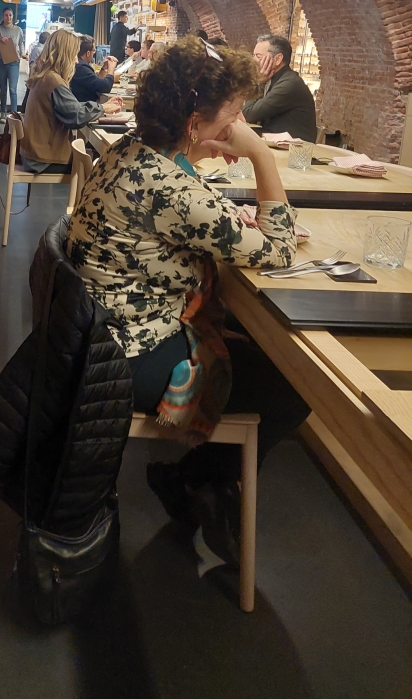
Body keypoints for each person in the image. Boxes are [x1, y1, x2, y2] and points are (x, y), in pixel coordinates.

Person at [65, 36, 309, 563]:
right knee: (293, 383)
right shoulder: (171, 189)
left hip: (97, 332)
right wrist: (261, 154)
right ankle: (201, 481)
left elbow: (185, 202)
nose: (239, 124)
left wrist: (217, 198)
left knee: (264, 363)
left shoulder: (133, 152)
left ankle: (198, 482)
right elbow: (279, 249)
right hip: (127, 354)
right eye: (235, 114)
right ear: (195, 122)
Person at [21, 29, 122, 173]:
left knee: (96, 156)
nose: (76, 61)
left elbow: (72, 108)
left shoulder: (44, 75)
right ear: (65, 55)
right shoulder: (53, 81)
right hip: (44, 158)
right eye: (74, 55)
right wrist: (103, 108)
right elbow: (76, 116)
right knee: (108, 164)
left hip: (34, 153)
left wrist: (102, 106)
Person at [243, 33, 317, 142]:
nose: (253, 60)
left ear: (278, 59)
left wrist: (257, 82)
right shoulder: (274, 79)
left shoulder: (289, 84)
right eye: (253, 55)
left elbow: (248, 114)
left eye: (258, 56)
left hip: (294, 148)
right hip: (276, 141)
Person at [0, 7, 24, 123]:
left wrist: (22, 55)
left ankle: (14, 114)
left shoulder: (18, 30)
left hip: (14, 63)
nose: (8, 17)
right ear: (2, 16)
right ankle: (3, 113)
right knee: (3, 89)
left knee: (13, 89)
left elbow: (21, 43)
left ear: (12, 16)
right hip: (1, 63)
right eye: (6, 15)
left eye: (10, 15)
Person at [70, 35, 117, 102]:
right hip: (86, 105)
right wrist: (111, 69)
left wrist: (104, 68)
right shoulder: (81, 68)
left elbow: (97, 82)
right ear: (88, 53)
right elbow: (105, 87)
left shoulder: (81, 65)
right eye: (93, 50)